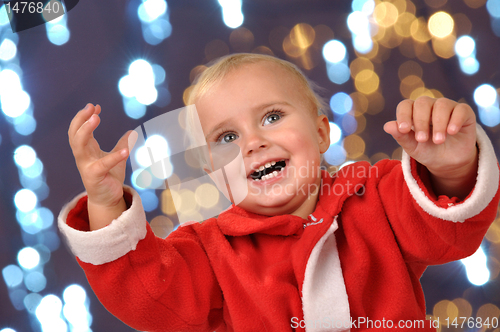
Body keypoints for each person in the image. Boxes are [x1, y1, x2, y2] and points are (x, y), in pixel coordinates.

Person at [59, 53, 500, 332]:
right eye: (226, 137)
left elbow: (446, 227)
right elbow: (147, 296)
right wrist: (105, 202)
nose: (252, 142)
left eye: (271, 117)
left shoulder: (376, 194)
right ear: (214, 173)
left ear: (322, 132)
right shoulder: (208, 252)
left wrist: (450, 164)